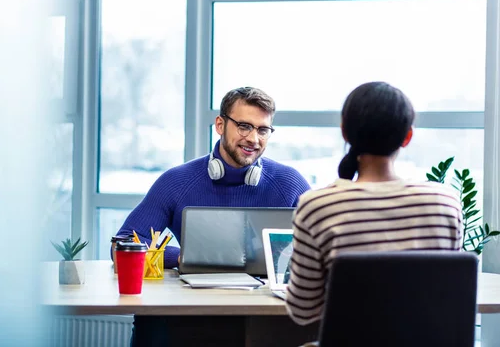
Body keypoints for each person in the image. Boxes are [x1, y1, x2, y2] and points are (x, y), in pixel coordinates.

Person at [286, 81, 462, 327]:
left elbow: (303, 311)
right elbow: (447, 297)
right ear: (407, 136)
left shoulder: (317, 206)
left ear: (345, 132)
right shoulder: (446, 203)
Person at [115, 86, 311, 269]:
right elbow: (122, 246)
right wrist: (186, 257)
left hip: (265, 302)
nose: (253, 139)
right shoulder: (176, 182)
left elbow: (323, 246)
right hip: (197, 301)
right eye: (244, 126)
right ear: (220, 125)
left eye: (262, 130)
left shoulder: (289, 183)